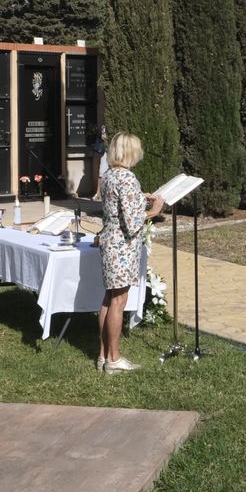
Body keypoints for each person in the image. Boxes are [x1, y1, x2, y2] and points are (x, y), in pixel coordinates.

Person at [96, 133, 167, 373]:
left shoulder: (108, 176)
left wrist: (139, 197)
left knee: (109, 298)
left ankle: (103, 355)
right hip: (122, 246)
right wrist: (153, 211)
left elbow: (118, 206)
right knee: (119, 300)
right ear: (130, 152)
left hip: (109, 242)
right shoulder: (127, 177)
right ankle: (114, 359)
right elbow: (131, 220)